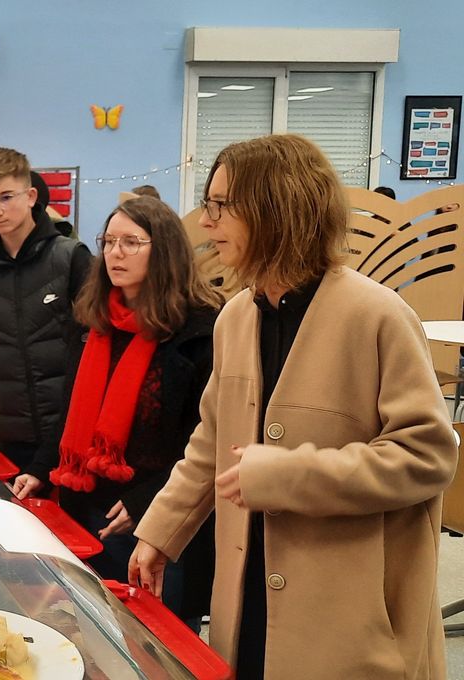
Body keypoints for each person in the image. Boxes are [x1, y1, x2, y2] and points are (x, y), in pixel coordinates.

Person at [129, 134, 457, 679]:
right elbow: (211, 443)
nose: (205, 222)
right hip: (249, 590)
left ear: (274, 209)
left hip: (347, 613)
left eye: (219, 205)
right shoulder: (236, 317)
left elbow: (427, 456)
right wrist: (160, 531)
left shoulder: (377, 316)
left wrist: (290, 474)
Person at [14, 196, 219, 625]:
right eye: (108, 241)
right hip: (84, 501)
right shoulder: (92, 321)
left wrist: (147, 501)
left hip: (154, 518)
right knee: (95, 626)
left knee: (156, 636)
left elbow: (203, 440)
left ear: (163, 250)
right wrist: (39, 466)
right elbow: (70, 410)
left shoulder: (199, 330)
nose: (115, 253)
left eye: (131, 242)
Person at [0, 148, 92, 477]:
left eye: (6, 197)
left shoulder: (72, 257)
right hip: (11, 432)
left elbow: (95, 349)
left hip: (72, 430)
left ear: (30, 196)